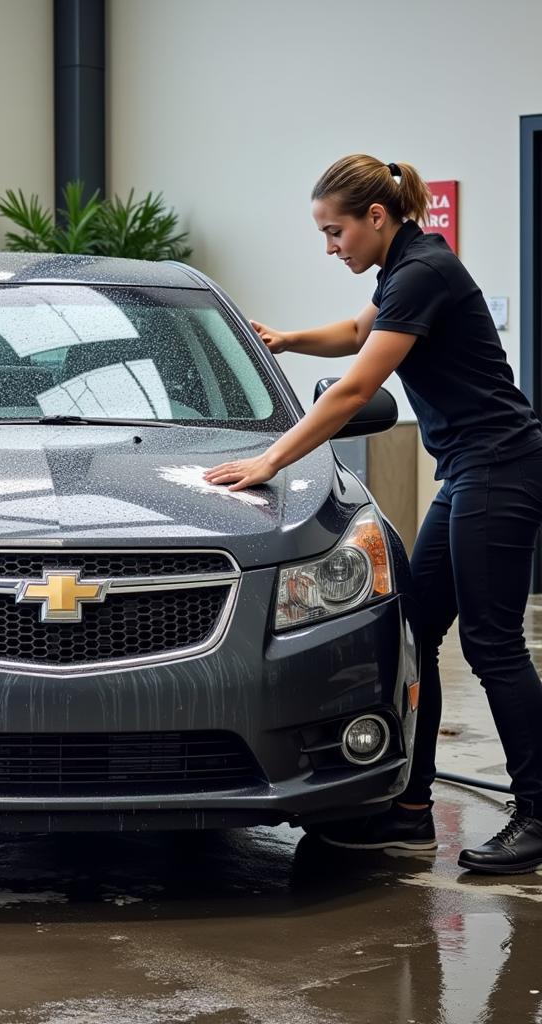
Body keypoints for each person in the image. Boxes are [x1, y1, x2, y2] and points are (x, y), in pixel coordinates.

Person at [204, 154, 542, 874]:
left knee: (492, 645)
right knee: (418, 629)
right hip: (468, 471)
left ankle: (539, 811)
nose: (331, 248)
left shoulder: (422, 271)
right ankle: (410, 809)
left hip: (501, 469)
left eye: (335, 233)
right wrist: (288, 340)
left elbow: (357, 387)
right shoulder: (405, 267)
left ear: (376, 218)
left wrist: (271, 461)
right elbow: (357, 334)